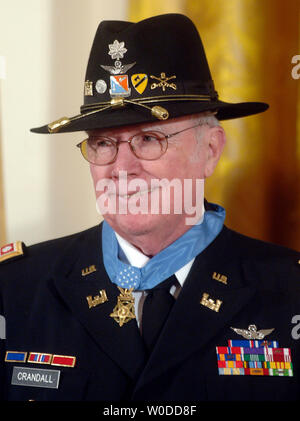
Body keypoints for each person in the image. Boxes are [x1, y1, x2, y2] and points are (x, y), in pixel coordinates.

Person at [0, 13, 300, 402]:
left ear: (209, 151)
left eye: (148, 138)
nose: (122, 169)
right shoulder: (15, 288)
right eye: (104, 143)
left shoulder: (289, 290)